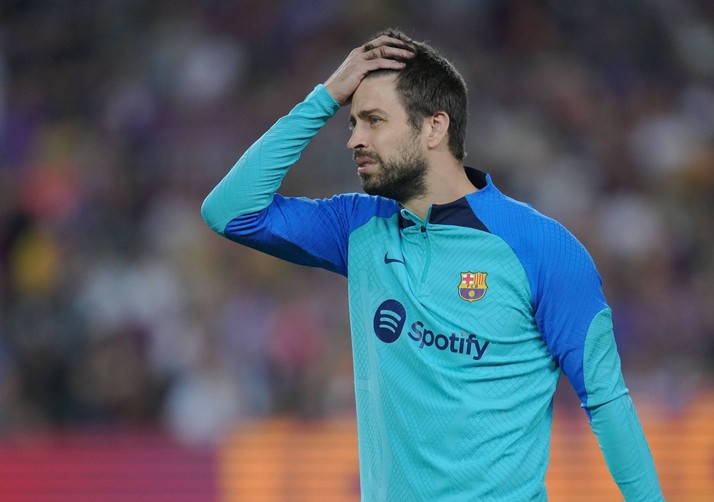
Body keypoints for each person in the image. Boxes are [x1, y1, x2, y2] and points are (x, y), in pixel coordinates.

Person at [202, 28, 664, 501]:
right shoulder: (357, 226)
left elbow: (607, 402)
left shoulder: (542, 248)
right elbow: (229, 212)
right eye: (352, 122)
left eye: (374, 120)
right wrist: (325, 96)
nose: (354, 139)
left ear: (434, 128)